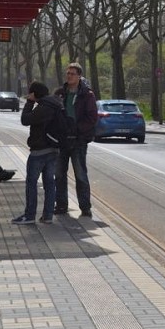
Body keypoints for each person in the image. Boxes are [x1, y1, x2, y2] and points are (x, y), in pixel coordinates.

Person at [13, 81, 60, 225]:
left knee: (31, 183)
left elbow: (25, 120)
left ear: (34, 94)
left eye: (30, 93)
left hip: (39, 151)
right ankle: (47, 216)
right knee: (49, 183)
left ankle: (29, 215)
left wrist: (28, 102)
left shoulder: (43, 108)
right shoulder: (56, 104)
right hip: (54, 149)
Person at [54, 62, 97, 218]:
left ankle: (85, 207)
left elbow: (92, 117)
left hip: (78, 141)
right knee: (59, 174)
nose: (69, 76)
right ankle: (61, 205)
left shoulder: (87, 95)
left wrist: (77, 129)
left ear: (79, 76)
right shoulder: (60, 93)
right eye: (68, 73)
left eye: (72, 74)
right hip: (62, 140)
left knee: (80, 175)